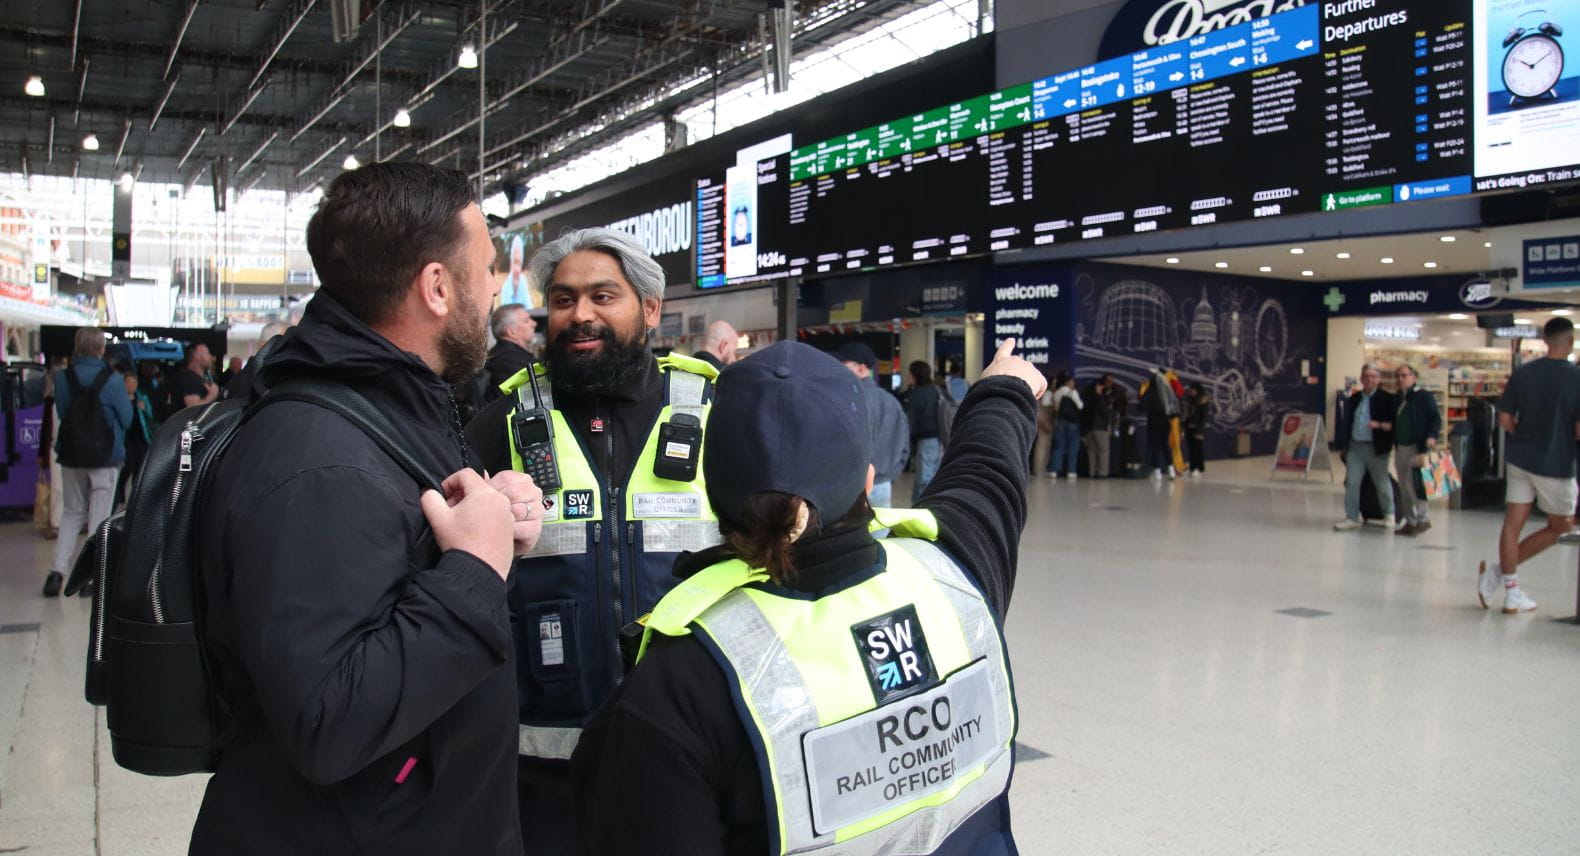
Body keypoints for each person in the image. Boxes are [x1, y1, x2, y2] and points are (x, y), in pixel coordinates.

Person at [570, 338, 1045, 855]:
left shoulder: (677, 686)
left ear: (710, 492)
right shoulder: (954, 574)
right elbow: (985, 475)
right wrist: (1006, 387)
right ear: (868, 478)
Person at [191, 162, 541, 854]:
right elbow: (328, 719)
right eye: (486, 267)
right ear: (437, 288)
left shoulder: (390, 409)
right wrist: (473, 568)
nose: (496, 284)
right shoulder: (316, 456)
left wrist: (491, 534)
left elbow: (389, 581)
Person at [464, 227, 721, 854]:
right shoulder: (500, 426)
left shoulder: (715, 412)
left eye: (603, 296)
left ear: (650, 310)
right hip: (541, 773)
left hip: (690, 753)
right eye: (563, 299)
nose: (581, 315)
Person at [1477, 318, 1580, 614]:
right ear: (1570, 342)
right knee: (1561, 526)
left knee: (1512, 524)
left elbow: (1505, 419)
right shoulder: (1576, 377)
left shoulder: (1523, 374)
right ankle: (1498, 576)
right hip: (1556, 462)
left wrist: (1526, 431)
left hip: (1520, 458)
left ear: (1545, 340)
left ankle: (1508, 588)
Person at [42, 328, 132, 596]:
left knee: (72, 512)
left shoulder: (62, 378)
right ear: (101, 349)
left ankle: (57, 572)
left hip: (71, 455)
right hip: (105, 457)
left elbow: (61, 412)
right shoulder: (113, 381)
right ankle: (90, 577)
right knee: (99, 515)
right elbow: (126, 419)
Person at [831, 341, 909, 507]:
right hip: (882, 486)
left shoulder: (844, 399)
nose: (837, 369)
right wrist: (888, 477)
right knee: (878, 532)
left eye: (842, 364)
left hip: (849, 486)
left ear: (861, 368)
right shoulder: (891, 402)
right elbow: (904, 448)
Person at [1334, 363, 1396, 532]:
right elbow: (1347, 422)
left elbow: (1394, 424)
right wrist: (1344, 445)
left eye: (1373, 376)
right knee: (1352, 482)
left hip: (1376, 449)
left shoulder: (1388, 399)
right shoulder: (1354, 398)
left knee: (1381, 481)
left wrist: (1380, 425)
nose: (1370, 379)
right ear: (1361, 379)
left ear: (1379, 379)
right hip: (1355, 448)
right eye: (1366, 376)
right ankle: (1352, 517)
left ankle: (1389, 513)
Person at [1391, 364, 1442, 536]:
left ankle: (1423, 518)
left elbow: (1435, 418)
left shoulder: (1423, 396)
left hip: (1417, 447)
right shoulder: (1399, 397)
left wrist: (1432, 436)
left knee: (1412, 484)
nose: (1400, 379)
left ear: (1413, 377)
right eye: (1398, 376)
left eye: (1404, 375)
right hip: (1401, 447)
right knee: (1404, 488)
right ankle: (1410, 521)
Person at [113, 367, 156, 508]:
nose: (131, 385)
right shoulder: (119, 399)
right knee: (129, 464)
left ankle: (135, 497)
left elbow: (150, 415)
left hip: (141, 436)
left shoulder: (142, 397)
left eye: (134, 382)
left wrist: (144, 409)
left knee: (140, 466)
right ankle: (121, 489)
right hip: (127, 436)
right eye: (128, 382)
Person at [904, 359, 945, 502]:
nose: (907, 376)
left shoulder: (917, 393)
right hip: (941, 438)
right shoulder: (937, 389)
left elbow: (911, 421)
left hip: (927, 439)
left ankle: (923, 506)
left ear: (916, 374)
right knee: (932, 474)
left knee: (924, 477)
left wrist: (904, 443)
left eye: (909, 373)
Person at [484, 303, 537, 401]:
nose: (534, 324)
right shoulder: (510, 363)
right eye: (526, 321)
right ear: (512, 332)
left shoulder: (496, 356)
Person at [1140, 367, 1179, 480]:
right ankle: (1171, 469)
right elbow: (1174, 407)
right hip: (1166, 421)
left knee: (1155, 446)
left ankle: (1157, 472)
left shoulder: (1151, 391)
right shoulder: (1167, 390)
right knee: (1165, 445)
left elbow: (1142, 406)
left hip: (1154, 421)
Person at [1049, 371, 1082, 479]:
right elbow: (1080, 406)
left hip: (1060, 421)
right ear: (1068, 382)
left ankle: (1054, 470)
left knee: (1058, 447)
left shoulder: (1057, 392)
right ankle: (1071, 471)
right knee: (1072, 447)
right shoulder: (1073, 393)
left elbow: (1054, 405)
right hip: (1072, 423)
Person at [169, 342, 219, 410]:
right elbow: (193, 409)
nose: (211, 357)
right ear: (198, 358)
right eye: (207, 353)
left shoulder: (193, 379)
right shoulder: (191, 381)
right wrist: (212, 395)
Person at [1082, 374, 1113, 478]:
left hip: (1090, 429)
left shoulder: (1088, 400)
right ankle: (1102, 472)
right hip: (1101, 428)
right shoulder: (1100, 399)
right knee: (1103, 451)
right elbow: (1105, 413)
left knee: (1092, 452)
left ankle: (1092, 472)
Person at [500, 233, 534, 309]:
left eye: (519, 263)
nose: (517, 269)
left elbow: (530, 308)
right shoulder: (506, 287)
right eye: (515, 262)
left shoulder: (523, 282)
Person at [1183, 381, 1211, 477]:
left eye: (1192, 390)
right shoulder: (1189, 400)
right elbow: (1186, 415)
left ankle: (1199, 468)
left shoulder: (1203, 400)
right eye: (1190, 390)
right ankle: (1192, 467)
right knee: (1191, 449)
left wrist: (1200, 431)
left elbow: (1204, 417)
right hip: (1188, 427)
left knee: (1197, 449)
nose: (1191, 392)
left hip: (1197, 428)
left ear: (1197, 390)